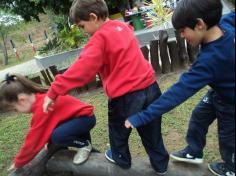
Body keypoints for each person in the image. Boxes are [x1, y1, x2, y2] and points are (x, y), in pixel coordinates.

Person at [43, 0, 169, 174]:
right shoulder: (122, 26)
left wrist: (54, 91)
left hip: (126, 97)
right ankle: (161, 165)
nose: (83, 31)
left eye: (82, 26)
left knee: (119, 130)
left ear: (93, 17)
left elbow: (82, 70)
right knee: (152, 131)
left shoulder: (99, 39)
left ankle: (120, 157)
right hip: (151, 88)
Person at [125, 0, 235, 175]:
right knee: (199, 116)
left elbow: (177, 94)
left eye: (183, 31)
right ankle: (194, 150)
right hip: (219, 92)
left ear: (199, 24)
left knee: (228, 135)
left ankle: (231, 166)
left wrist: (143, 117)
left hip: (231, 102)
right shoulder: (226, 24)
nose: (182, 35)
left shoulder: (208, 62)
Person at [0, 74, 96, 172]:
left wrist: (18, 162)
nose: (17, 112)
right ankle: (91, 152)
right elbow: (50, 126)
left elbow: (33, 140)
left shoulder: (42, 108)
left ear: (22, 100)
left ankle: (84, 145)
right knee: (89, 153)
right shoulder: (41, 100)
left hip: (84, 119)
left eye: (15, 109)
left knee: (58, 136)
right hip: (76, 120)